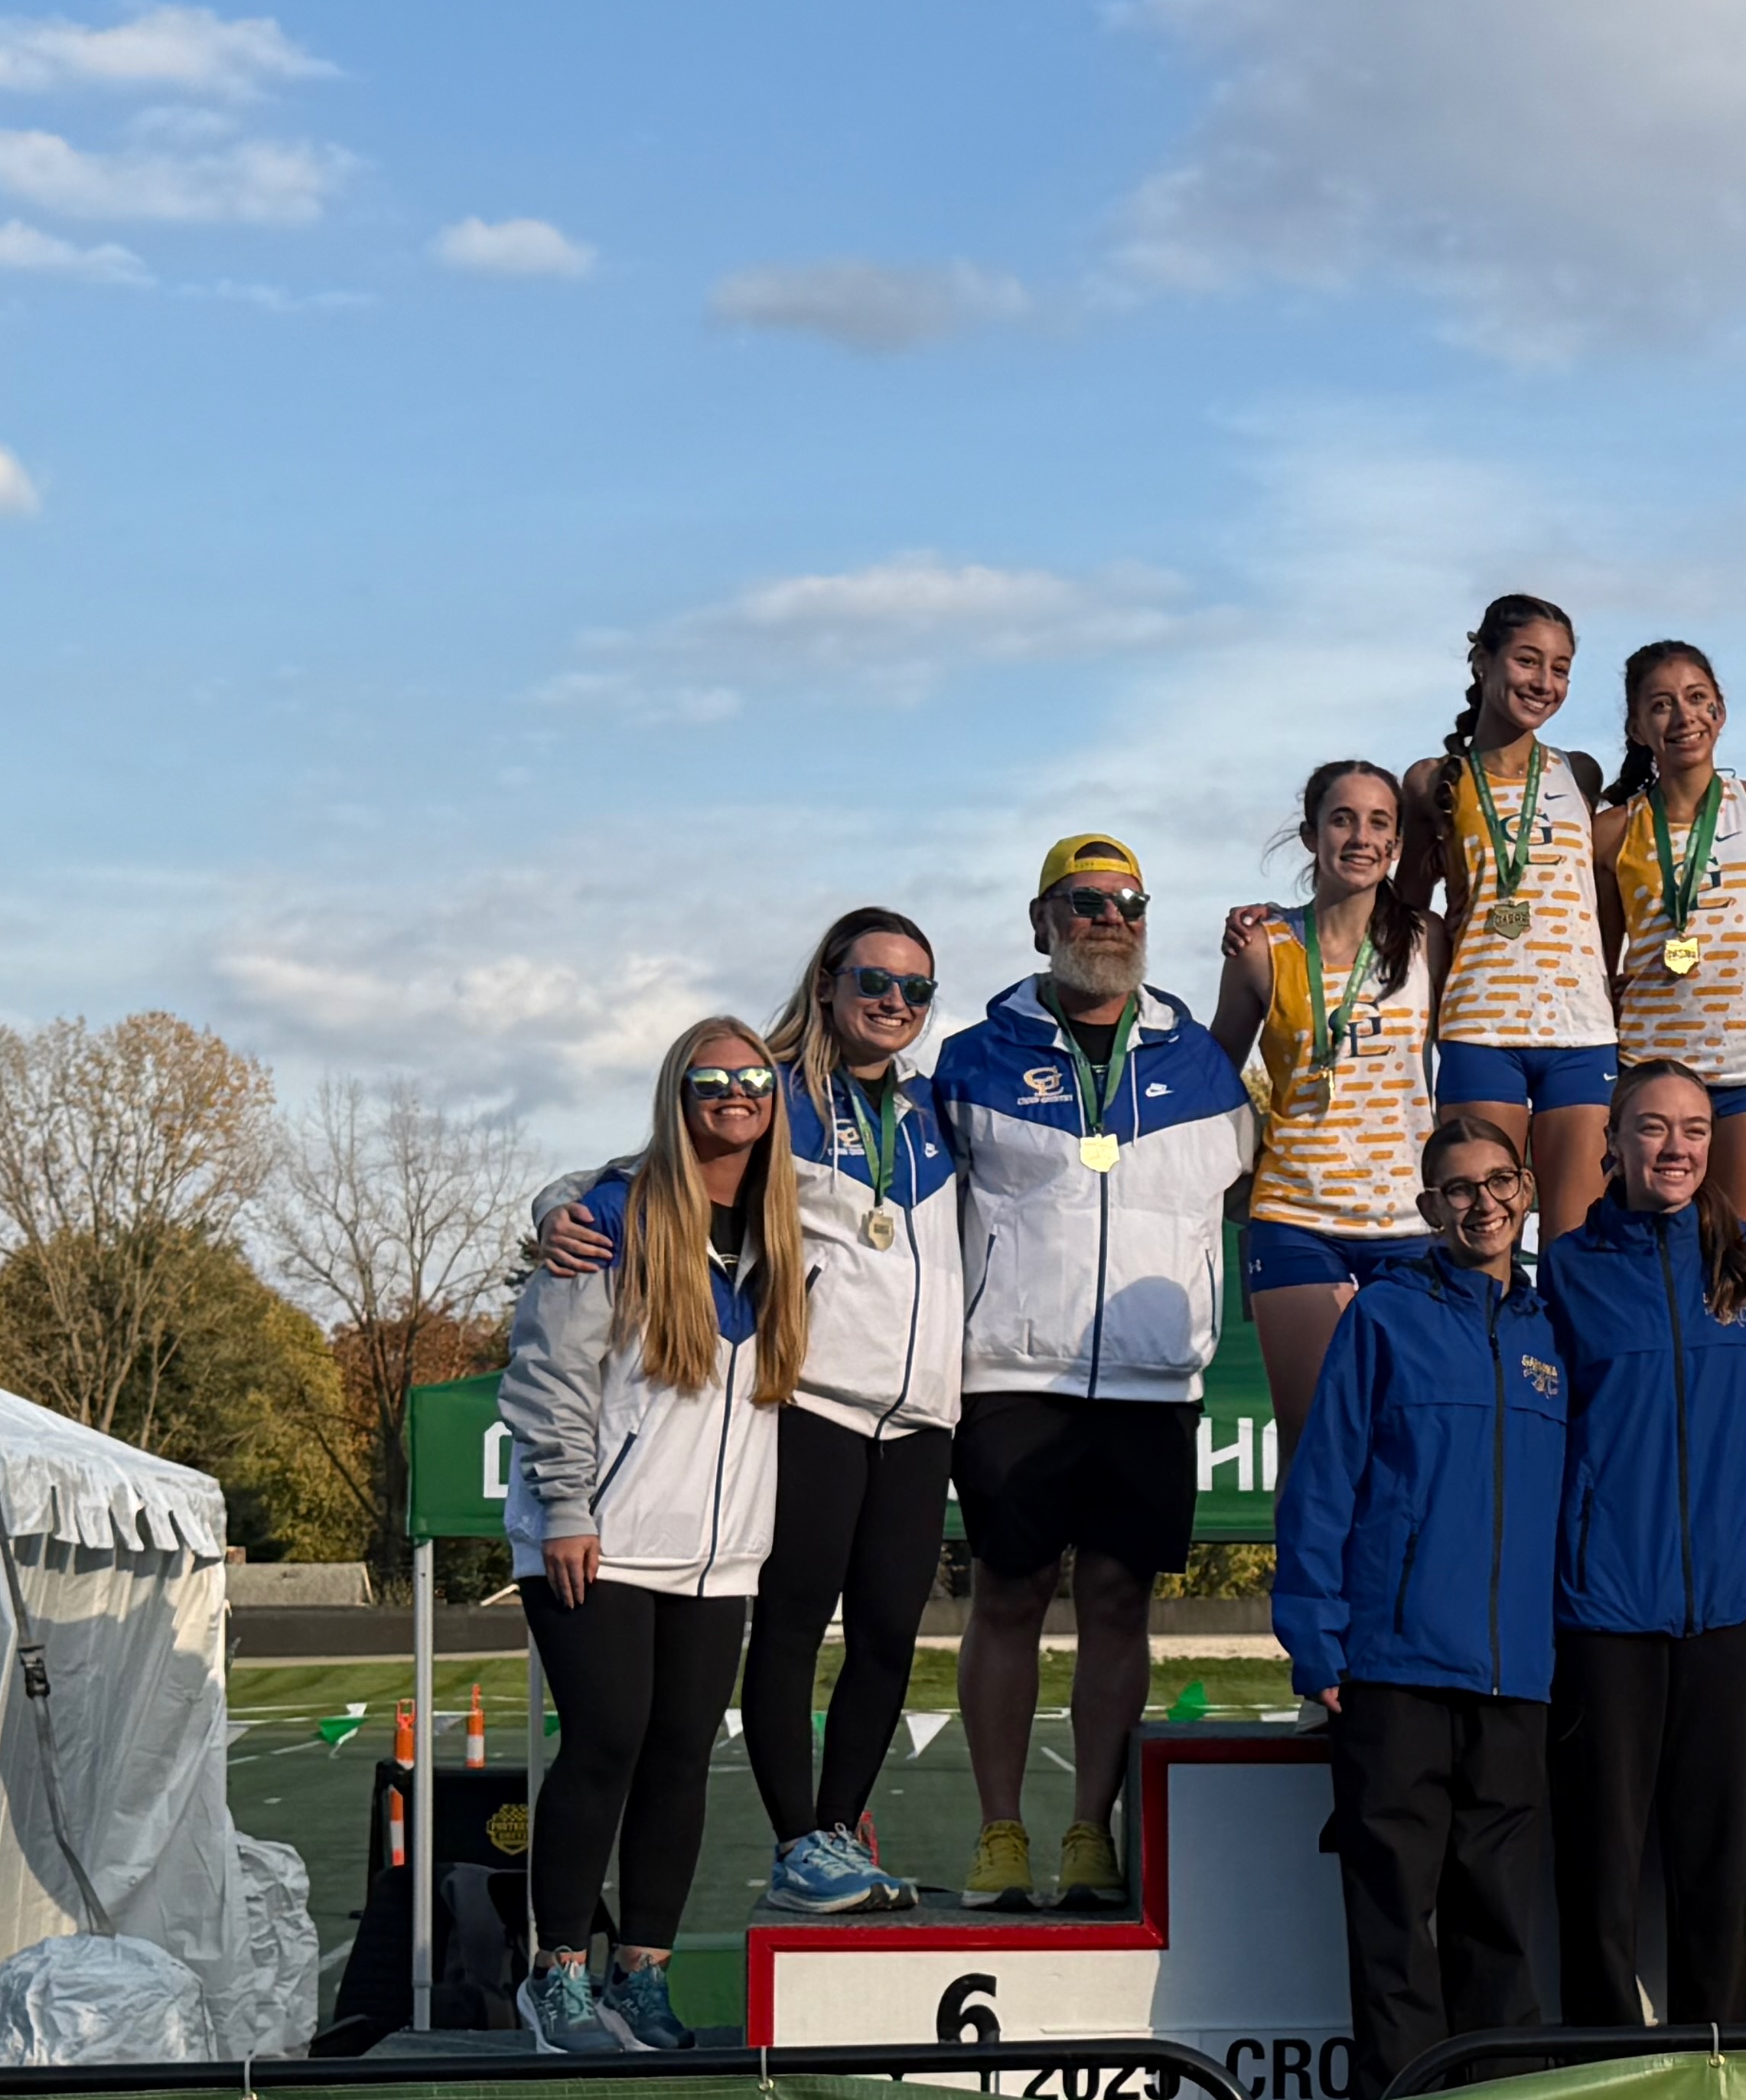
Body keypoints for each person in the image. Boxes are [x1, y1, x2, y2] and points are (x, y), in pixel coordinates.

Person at [534, 908, 953, 1919]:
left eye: (916, 989)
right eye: (875, 981)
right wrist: (554, 1206)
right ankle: (797, 1836)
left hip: (924, 1408)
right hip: (809, 1396)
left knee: (892, 1631)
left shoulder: (940, 1106)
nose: (894, 1002)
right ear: (828, 983)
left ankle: (842, 1834)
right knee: (796, 1628)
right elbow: (633, 1173)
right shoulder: (768, 1090)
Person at [935, 832, 1257, 1913]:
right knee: (1010, 1594)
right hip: (1012, 1373)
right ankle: (1000, 1832)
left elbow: (1275, 1174)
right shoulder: (974, 1056)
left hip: (1151, 1381)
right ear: (1042, 923)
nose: (1106, 921)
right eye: (1082, 904)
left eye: (1126, 904)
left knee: (1120, 1604)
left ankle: (1088, 1832)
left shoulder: (1204, 1064)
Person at [500, 1017, 806, 2052]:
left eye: (753, 1079)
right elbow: (549, 1373)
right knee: (607, 1741)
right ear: (677, 1095)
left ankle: (644, 1975)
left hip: (718, 1551)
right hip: (599, 1535)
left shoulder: (781, 1224)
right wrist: (568, 1509)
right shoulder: (607, 1217)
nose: (735, 1093)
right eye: (711, 1078)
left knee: (681, 1754)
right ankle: (556, 1980)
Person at [1275, 1119, 1568, 2092]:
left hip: (1514, 1677)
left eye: (1497, 1184)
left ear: (1526, 1192)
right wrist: (1317, 1642)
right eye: (1457, 1189)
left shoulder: (1553, 1331)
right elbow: (1325, 1481)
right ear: (1427, 1208)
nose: (1481, 1204)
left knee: (1498, 1917)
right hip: (1393, 1669)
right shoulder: (1386, 1317)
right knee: (1393, 1919)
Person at [1541, 1056, 1746, 2028]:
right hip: (1605, 1608)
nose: (1674, 1148)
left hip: (1722, 1607)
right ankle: (1601, 2069)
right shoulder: (1567, 1268)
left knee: (1714, 1866)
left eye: (1693, 1130)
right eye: (1652, 1127)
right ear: (1613, 1144)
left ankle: (1714, 2058)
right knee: (1602, 1866)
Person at [1216, 762, 1435, 1443]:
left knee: (1406, 1438)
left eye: (1379, 823)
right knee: (1315, 1443)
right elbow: (1216, 1073)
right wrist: (1236, 1174)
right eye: (1343, 819)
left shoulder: (1431, 939)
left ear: (1397, 845)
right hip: (1296, 1215)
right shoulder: (1261, 945)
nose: (1360, 837)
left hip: (1409, 1218)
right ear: (1312, 835)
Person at [1412, 595, 1614, 1239]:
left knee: (1575, 1245)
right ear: (1482, 661)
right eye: (1528, 661)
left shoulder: (1579, 772)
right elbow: (1405, 913)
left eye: (1560, 669)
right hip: (1481, 1026)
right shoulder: (1432, 780)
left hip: (1582, 1033)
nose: (1544, 683)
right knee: (1480, 1234)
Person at [1595, 643, 1746, 1229]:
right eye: (1660, 705)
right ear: (1636, 727)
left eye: (1697, 699)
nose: (1683, 717)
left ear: (1720, 711)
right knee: (1646, 1253)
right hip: (1649, 1071)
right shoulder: (1611, 833)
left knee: (1742, 1255)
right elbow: (1601, 964)